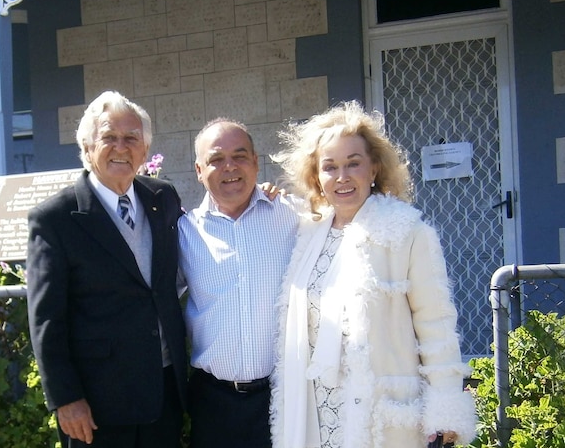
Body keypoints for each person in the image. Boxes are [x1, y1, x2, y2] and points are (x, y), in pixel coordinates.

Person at [269, 101, 477, 448]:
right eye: (330, 167)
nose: (342, 177)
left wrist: (445, 408)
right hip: (315, 412)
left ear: (374, 168)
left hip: (378, 416)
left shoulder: (407, 232)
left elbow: (436, 326)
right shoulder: (307, 234)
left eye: (353, 163)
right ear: (316, 177)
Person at [27, 91, 187, 448]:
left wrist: (262, 198)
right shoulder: (56, 218)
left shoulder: (163, 198)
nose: (121, 147)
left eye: (131, 138)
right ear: (86, 147)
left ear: (144, 151)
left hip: (163, 392)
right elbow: (46, 319)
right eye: (109, 138)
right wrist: (66, 398)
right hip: (98, 405)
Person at [178, 118, 303, 448]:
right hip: (214, 404)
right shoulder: (183, 233)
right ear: (199, 169)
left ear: (256, 162)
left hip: (285, 396)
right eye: (216, 159)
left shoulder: (294, 215)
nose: (229, 167)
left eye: (240, 156)